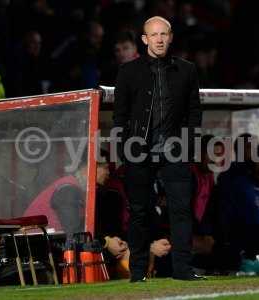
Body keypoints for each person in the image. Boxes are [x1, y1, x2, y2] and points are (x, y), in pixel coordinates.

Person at [113, 16, 202, 282]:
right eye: (154, 35)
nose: (160, 39)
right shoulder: (128, 72)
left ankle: (184, 271)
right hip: (138, 151)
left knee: (181, 210)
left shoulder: (187, 70)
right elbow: (120, 115)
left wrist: (188, 145)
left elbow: (194, 111)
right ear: (144, 39)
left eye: (164, 34)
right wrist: (123, 150)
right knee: (140, 211)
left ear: (171, 37)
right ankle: (137, 273)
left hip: (175, 151)